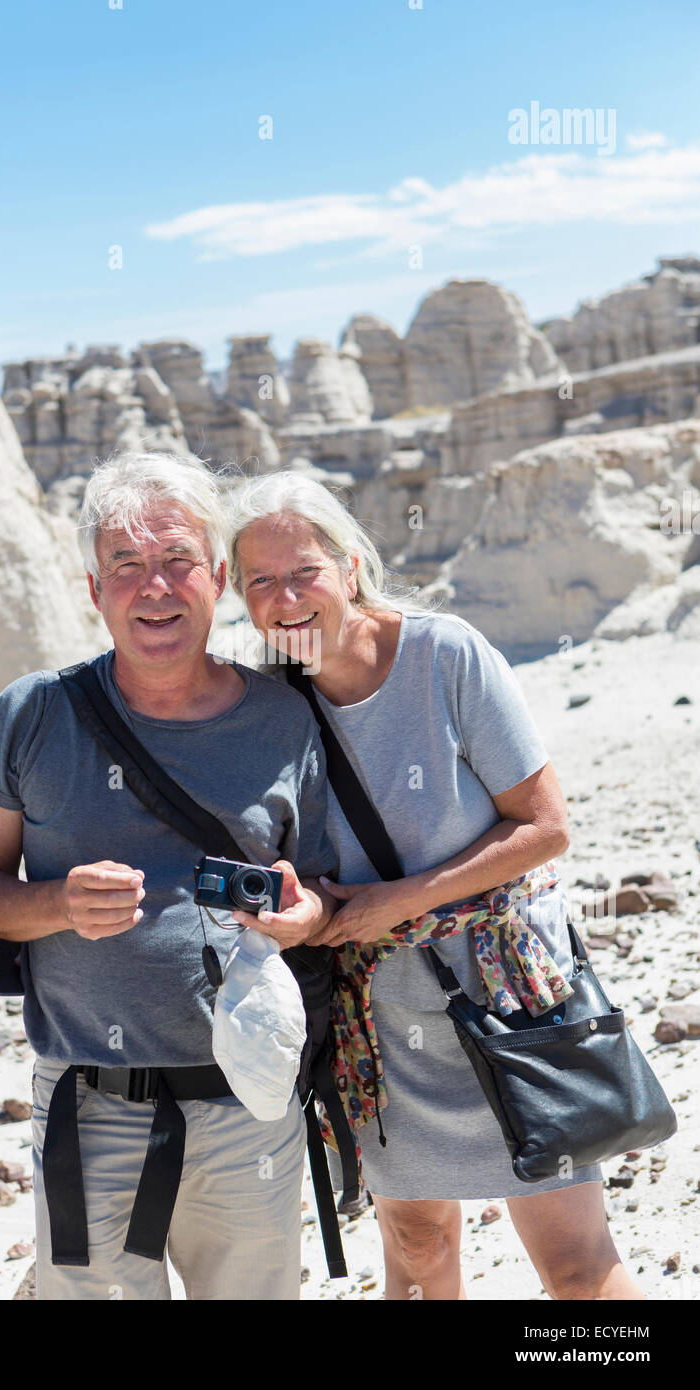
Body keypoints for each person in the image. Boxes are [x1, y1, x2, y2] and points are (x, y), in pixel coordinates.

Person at [226, 470, 643, 1302]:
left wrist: (401, 901)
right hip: (382, 1026)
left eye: (303, 570)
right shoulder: (268, 702)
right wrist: (304, 917)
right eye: (259, 582)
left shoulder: (443, 654)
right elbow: (308, 876)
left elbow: (546, 826)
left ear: (348, 566)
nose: (286, 598)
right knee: (417, 1251)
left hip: (514, 998)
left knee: (575, 1264)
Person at [0, 451, 337, 1300]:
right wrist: (54, 903)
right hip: (88, 1111)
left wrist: (304, 917)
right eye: (126, 566)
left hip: (251, 1104)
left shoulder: (284, 716)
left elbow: (329, 889)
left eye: (175, 562)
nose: (153, 588)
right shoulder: (32, 714)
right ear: (95, 590)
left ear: (219, 577)